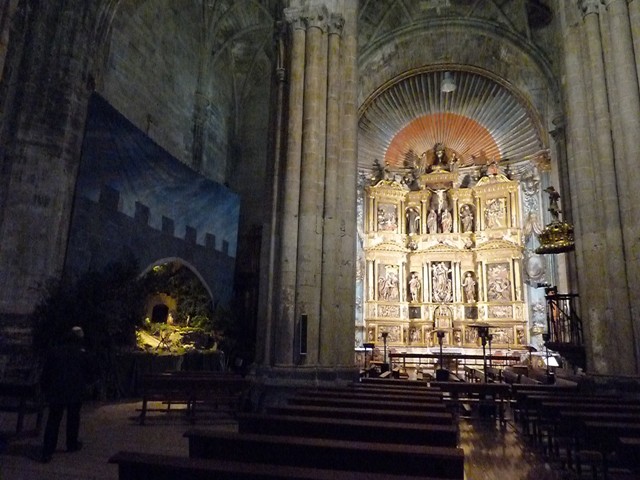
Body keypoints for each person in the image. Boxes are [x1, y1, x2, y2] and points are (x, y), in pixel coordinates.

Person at [40, 326, 98, 463]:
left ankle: (48, 449)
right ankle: (71, 443)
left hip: (57, 389)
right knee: (73, 417)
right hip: (75, 389)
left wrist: (44, 388)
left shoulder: (55, 351)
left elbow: (47, 371)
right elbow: (90, 371)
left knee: (53, 419)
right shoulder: (82, 352)